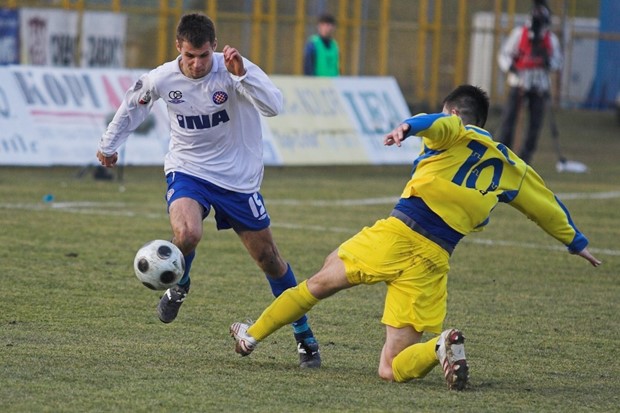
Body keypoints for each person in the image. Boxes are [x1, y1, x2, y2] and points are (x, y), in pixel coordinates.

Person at [230, 84, 601, 390]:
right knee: (391, 368)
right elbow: (546, 206)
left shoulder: (455, 130)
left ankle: (251, 336)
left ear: (455, 113)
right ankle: (438, 346)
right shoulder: (513, 168)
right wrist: (576, 242)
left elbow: (436, 125)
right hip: (434, 260)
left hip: (398, 234)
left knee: (319, 283)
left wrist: (407, 128)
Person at [96, 13, 321, 368]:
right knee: (186, 233)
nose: (197, 64)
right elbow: (132, 104)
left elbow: (274, 106)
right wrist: (109, 144)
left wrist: (241, 75)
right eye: (189, 56)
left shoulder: (233, 68)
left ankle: (304, 334)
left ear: (214, 48)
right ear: (178, 49)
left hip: (238, 180)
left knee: (270, 260)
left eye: (203, 56)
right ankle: (180, 284)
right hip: (189, 169)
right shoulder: (163, 77)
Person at [497, 0, 562, 164]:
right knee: (509, 119)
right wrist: (510, 67)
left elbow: (557, 61)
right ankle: (502, 154)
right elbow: (504, 55)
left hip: (539, 85)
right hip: (518, 82)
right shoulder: (519, 34)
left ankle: (525, 158)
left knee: (535, 124)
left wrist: (549, 63)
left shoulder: (550, 39)